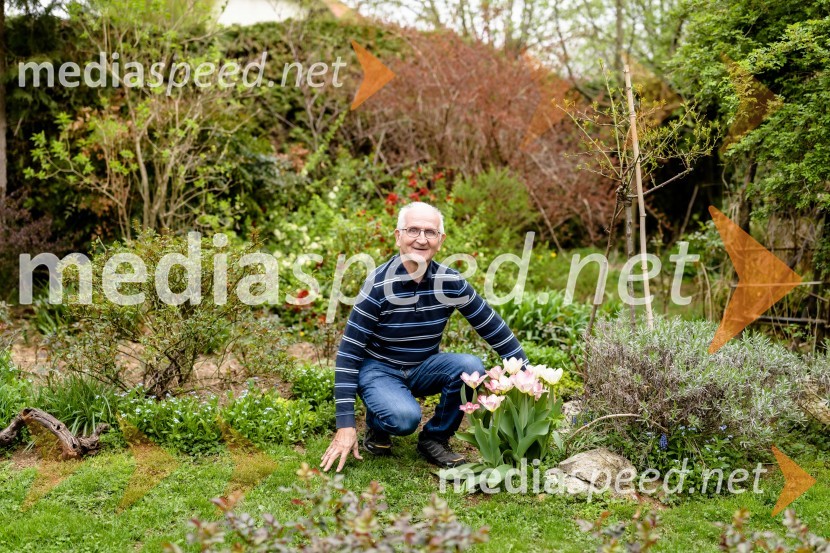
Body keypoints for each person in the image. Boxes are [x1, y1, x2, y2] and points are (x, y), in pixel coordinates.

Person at [320, 201, 528, 472]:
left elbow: (491, 326)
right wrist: (345, 425)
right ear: (398, 236)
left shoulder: (450, 282)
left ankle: (435, 438)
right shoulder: (378, 285)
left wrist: (527, 375)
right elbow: (349, 354)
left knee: (471, 368)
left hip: (423, 367)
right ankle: (377, 425)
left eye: (430, 232)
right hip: (379, 370)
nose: (421, 239)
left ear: (440, 241)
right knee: (404, 418)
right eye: (413, 230)